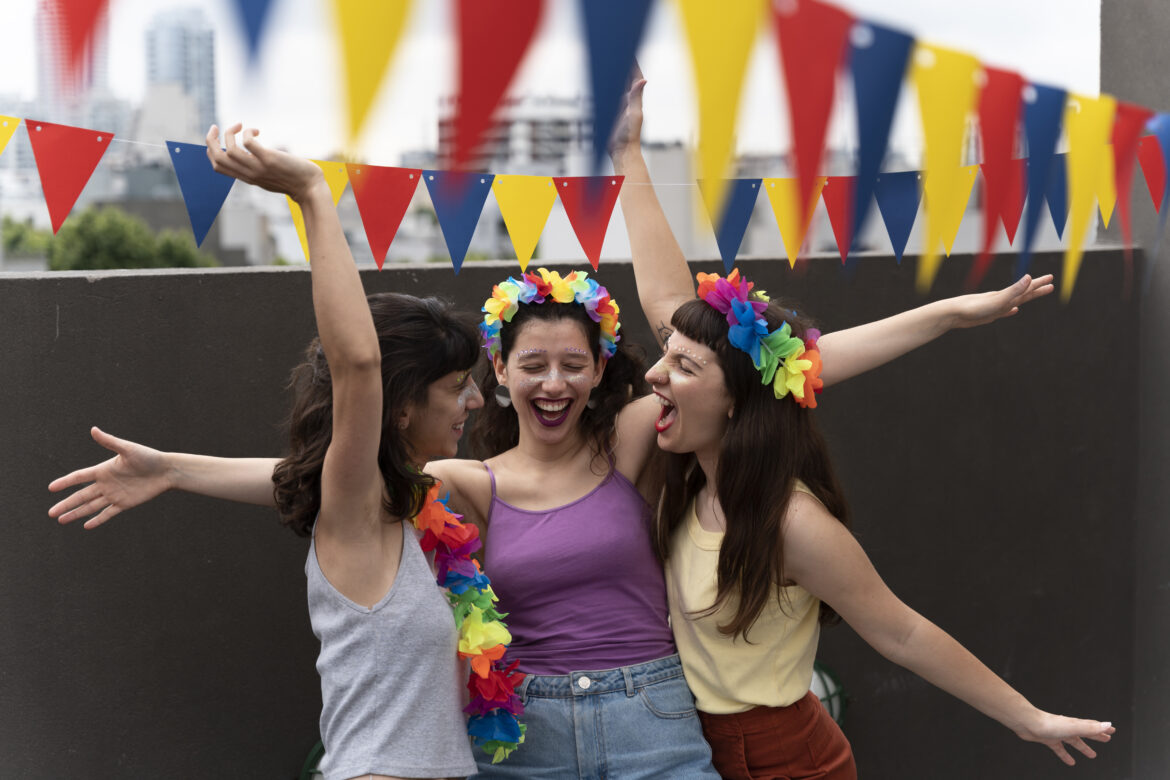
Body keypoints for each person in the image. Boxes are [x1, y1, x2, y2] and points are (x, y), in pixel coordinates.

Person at [50, 83, 1054, 779]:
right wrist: (175, 469)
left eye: (575, 363)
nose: (555, 381)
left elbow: (774, 366)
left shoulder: (634, 442)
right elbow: (332, 476)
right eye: (533, 364)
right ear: (497, 375)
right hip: (525, 732)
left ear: (600, 371)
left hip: (655, 715)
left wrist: (949, 317)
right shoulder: (472, 483)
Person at [56, 122, 527, 780]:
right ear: (400, 407)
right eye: (456, 388)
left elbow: (288, 475)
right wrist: (311, 193)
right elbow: (359, 363)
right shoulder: (359, 510)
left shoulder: (400, 505)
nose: (475, 403)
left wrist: (170, 469)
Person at [644, 268, 1115, 779]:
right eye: (666, 350)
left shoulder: (791, 522)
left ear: (737, 402)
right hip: (690, 746)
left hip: (783, 760)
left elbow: (903, 633)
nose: (654, 374)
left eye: (684, 365)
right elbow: (666, 294)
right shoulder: (686, 478)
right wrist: (948, 313)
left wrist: (1029, 718)